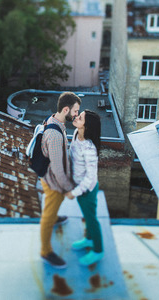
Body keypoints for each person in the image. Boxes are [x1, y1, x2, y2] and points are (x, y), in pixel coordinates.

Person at [40, 92, 81, 269]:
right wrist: (67, 189)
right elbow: (57, 169)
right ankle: (46, 251)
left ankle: (55, 217)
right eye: (75, 111)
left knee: (52, 212)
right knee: (47, 217)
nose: (77, 115)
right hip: (53, 183)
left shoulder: (53, 121)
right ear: (66, 109)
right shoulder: (55, 135)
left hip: (47, 176)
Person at [66, 109, 103, 266]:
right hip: (78, 185)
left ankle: (98, 251)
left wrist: (75, 192)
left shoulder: (89, 149)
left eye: (80, 118)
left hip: (86, 190)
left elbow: (90, 178)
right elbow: (71, 154)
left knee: (91, 219)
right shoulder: (75, 133)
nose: (76, 117)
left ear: (86, 127)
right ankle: (88, 240)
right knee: (87, 216)